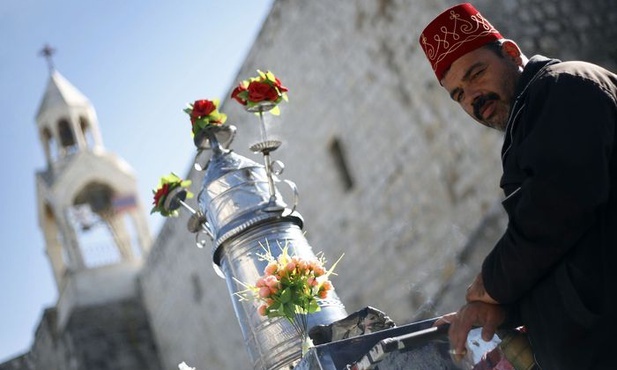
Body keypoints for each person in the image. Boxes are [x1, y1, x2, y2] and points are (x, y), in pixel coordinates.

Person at [418, 3, 617, 369]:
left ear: (510, 53)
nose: (473, 97)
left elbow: (557, 208)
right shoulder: (531, 115)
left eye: (476, 74)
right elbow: (569, 252)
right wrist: (500, 311)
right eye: (459, 94)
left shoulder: (564, 86)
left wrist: (489, 285)